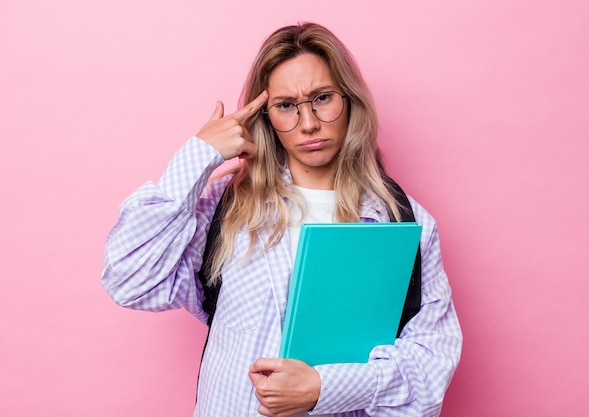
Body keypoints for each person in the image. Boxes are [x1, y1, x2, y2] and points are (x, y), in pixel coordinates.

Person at [102, 22, 462, 417]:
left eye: (322, 98)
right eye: (287, 105)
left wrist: (326, 388)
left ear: (350, 100)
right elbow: (128, 280)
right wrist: (198, 157)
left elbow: (431, 364)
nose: (307, 123)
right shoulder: (226, 207)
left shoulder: (405, 223)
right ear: (267, 115)